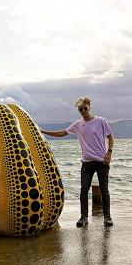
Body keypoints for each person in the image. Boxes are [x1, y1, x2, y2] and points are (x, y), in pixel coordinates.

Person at [40, 96, 114, 227]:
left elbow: (110, 137)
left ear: (89, 107)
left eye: (85, 108)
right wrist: (44, 131)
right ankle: (83, 218)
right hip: (87, 163)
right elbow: (63, 133)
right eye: (81, 109)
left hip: (102, 161)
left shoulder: (101, 121)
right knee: (84, 190)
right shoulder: (78, 124)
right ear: (79, 111)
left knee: (104, 190)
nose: (83, 111)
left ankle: (107, 217)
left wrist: (109, 152)